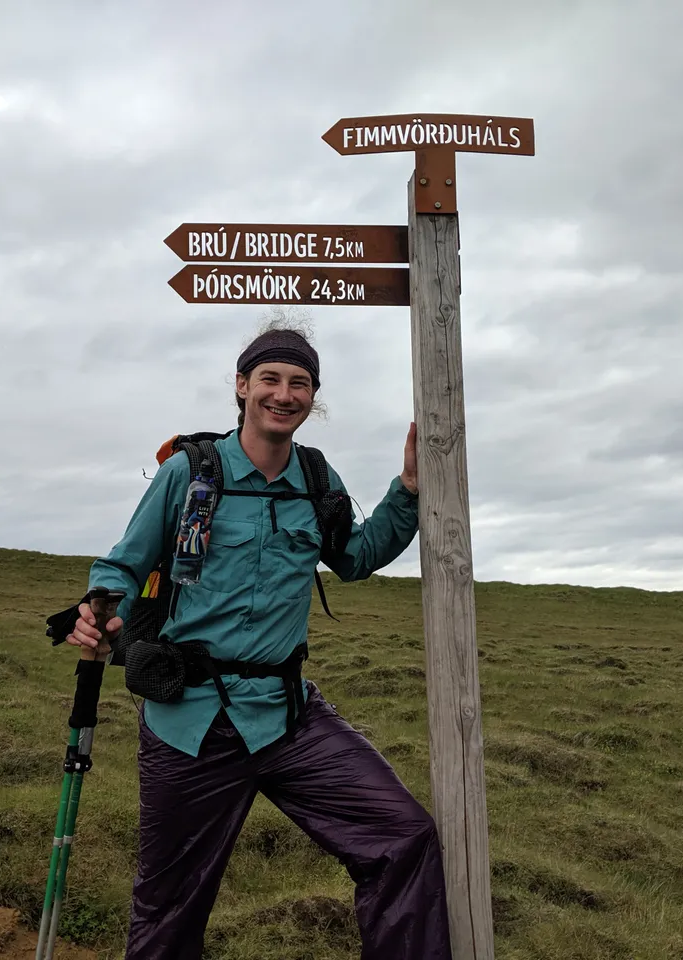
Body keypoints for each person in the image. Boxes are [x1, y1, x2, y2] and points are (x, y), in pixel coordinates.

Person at [63, 325, 452, 959]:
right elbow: (124, 566)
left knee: (403, 838)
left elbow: (354, 555)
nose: (283, 393)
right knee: (169, 906)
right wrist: (103, 613)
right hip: (189, 721)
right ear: (242, 387)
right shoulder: (190, 472)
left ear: (313, 398)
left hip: (288, 717)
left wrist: (406, 490)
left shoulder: (316, 480)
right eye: (269, 379)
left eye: (299, 383)